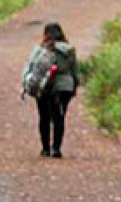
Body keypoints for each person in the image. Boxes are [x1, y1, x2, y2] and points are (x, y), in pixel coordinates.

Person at [21, 22, 79, 158]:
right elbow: (75, 71)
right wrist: (75, 86)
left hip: (44, 86)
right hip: (65, 86)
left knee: (44, 116)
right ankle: (57, 148)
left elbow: (31, 67)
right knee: (59, 116)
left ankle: (45, 148)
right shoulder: (69, 50)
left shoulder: (40, 50)